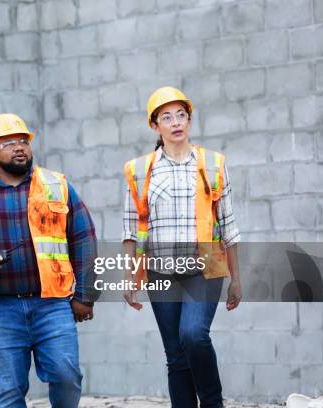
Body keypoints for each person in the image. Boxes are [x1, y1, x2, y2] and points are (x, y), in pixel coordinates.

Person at [0, 113, 98, 408]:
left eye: (23, 141)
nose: (19, 147)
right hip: (2, 309)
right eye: (9, 143)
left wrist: (85, 296)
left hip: (52, 304)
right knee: (9, 391)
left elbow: (84, 239)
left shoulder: (57, 185)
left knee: (67, 376)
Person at [122, 87, 242, 408]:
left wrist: (236, 279)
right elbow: (132, 230)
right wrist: (132, 278)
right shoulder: (139, 170)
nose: (176, 122)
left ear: (189, 120)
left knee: (193, 335)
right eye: (166, 117)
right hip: (161, 272)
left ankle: (213, 403)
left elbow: (229, 227)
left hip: (204, 268)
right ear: (154, 126)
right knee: (175, 355)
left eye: (181, 115)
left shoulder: (213, 164)